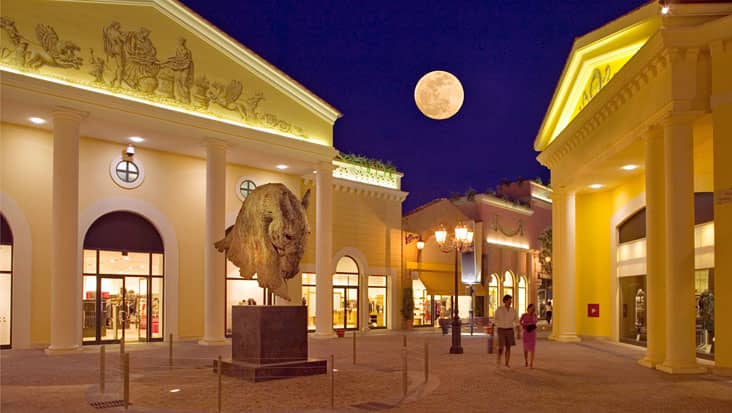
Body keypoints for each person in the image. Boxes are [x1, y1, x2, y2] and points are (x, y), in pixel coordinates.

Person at [495, 294, 520, 368]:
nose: (510, 302)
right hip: (501, 330)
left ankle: (507, 362)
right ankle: (499, 360)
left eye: (511, 300)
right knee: (501, 347)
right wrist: (494, 327)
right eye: (509, 300)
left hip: (510, 330)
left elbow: (517, 321)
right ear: (505, 301)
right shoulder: (499, 309)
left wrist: (518, 332)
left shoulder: (513, 310)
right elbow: (495, 319)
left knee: (508, 347)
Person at [521, 304, 538, 368]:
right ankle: (526, 361)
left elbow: (535, 322)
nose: (532, 310)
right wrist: (525, 325)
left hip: (532, 333)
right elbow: (520, 322)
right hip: (526, 333)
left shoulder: (534, 315)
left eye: (533, 308)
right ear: (527, 309)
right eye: (531, 308)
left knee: (532, 349)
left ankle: (531, 363)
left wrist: (533, 316)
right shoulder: (524, 315)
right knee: (525, 348)